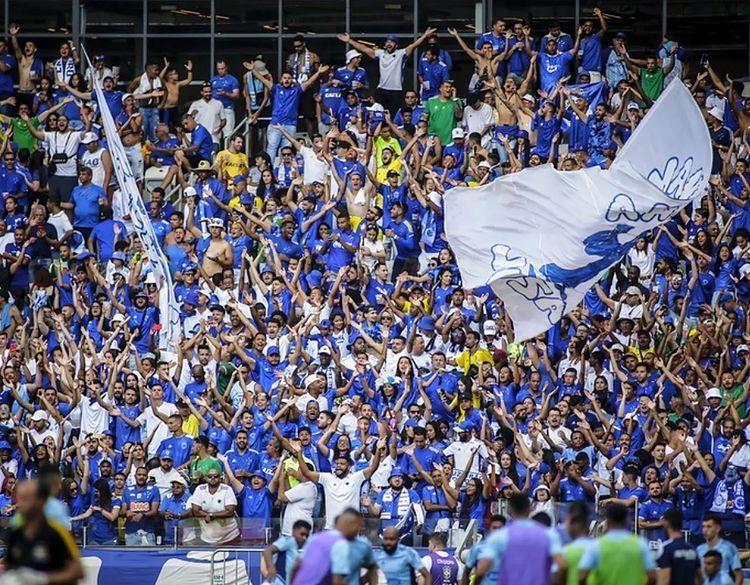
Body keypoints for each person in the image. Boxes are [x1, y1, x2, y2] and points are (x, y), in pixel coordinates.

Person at [3, 479, 84, 584]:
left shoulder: (57, 531)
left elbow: (78, 571)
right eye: (20, 499)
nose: (21, 504)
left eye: (27, 499)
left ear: (40, 501)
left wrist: (43, 579)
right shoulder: (15, 533)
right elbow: (10, 563)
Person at [476, 493, 565, 585]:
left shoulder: (499, 536)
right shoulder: (548, 533)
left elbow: (482, 569)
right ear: (529, 508)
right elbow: (562, 565)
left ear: (509, 510)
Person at [290, 507, 377, 585]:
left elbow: (372, 568)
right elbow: (337, 581)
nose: (360, 527)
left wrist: (362, 581)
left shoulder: (362, 545)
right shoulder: (336, 543)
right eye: (358, 525)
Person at [578, 503, 656, 585]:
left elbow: (582, 577)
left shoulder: (596, 545)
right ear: (626, 520)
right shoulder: (640, 543)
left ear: (607, 521)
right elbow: (652, 576)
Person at [657, 509, 701, 585]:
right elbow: (698, 578)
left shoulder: (666, 548)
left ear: (666, 522)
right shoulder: (692, 549)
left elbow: (664, 579)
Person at [262, 519, 312, 585]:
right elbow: (268, 551)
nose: (304, 538)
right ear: (294, 531)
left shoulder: (302, 548)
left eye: (306, 536)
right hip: (276, 581)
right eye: (302, 534)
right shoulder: (289, 540)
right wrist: (271, 567)